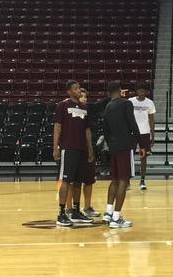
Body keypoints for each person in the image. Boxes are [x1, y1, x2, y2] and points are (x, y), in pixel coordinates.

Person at [101, 81, 145, 229]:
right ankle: (116, 217)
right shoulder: (126, 104)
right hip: (125, 146)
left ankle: (108, 213)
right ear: (120, 91)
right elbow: (133, 124)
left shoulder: (108, 106)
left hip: (113, 146)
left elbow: (105, 129)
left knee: (114, 179)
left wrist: (111, 143)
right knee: (123, 181)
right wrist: (141, 144)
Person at [53, 80, 94, 227]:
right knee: (66, 181)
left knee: (78, 181)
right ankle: (61, 213)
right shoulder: (62, 105)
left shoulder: (84, 107)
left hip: (82, 149)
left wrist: (90, 149)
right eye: (75, 89)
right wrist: (55, 148)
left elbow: (87, 130)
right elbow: (57, 127)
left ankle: (76, 211)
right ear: (69, 92)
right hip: (68, 148)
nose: (78, 91)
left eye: (79, 88)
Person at [65, 87, 101, 218]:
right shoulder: (69, 111)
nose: (84, 99)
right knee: (70, 180)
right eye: (82, 97)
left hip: (88, 150)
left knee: (89, 180)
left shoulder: (89, 112)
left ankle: (87, 207)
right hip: (74, 149)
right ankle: (69, 208)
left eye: (86, 97)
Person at [130, 84, 156, 190]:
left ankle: (142, 180)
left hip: (145, 133)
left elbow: (151, 120)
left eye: (143, 90)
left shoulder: (150, 103)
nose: (141, 91)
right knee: (129, 156)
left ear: (146, 92)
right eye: (139, 89)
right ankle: (127, 180)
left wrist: (152, 135)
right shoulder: (130, 101)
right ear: (136, 91)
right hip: (132, 133)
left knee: (143, 157)